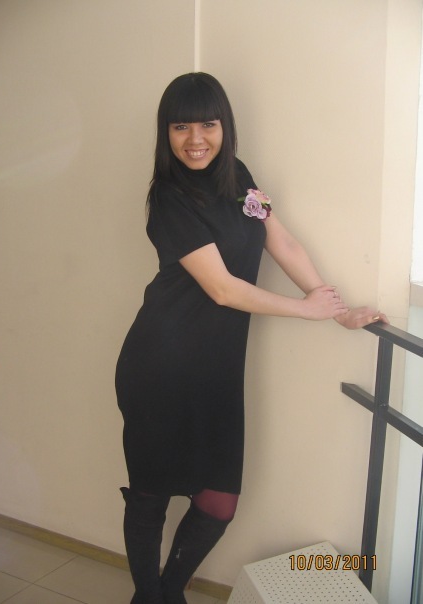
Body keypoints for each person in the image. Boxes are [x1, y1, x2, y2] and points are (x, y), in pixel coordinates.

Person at [115, 72, 388, 604]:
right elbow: (221, 288)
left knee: (218, 502)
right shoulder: (168, 198)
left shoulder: (238, 178)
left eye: (208, 125)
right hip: (160, 366)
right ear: (165, 133)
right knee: (150, 495)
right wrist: (305, 311)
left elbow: (280, 240)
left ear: (225, 127)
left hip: (215, 371)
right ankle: (150, 597)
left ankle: (166, 592)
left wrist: (333, 308)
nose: (196, 139)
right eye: (181, 127)